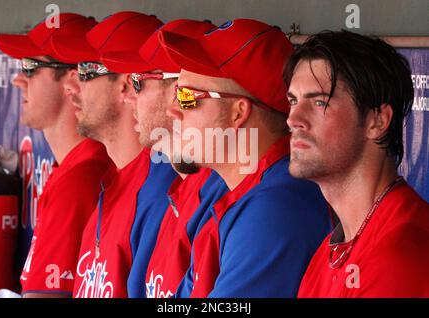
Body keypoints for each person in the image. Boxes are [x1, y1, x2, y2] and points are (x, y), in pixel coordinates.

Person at [159, 19, 333, 297]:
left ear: (238, 113)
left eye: (187, 97)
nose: (172, 111)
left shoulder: (275, 209)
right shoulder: (236, 196)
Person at [283, 30, 429, 297]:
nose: (293, 118)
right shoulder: (330, 251)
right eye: (293, 101)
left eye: (319, 102)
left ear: (377, 121)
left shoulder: (398, 256)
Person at [50, 11, 177, 298]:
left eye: (85, 72)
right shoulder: (111, 181)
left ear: (125, 85)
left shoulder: (162, 190)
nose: (71, 86)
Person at [102, 18, 230, 298]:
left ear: (179, 91)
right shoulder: (178, 191)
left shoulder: (221, 198)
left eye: (137, 82)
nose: (127, 98)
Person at [0, 13, 113, 297]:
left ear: (72, 81)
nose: (18, 80)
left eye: (31, 67)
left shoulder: (81, 177)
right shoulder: (75, 167)